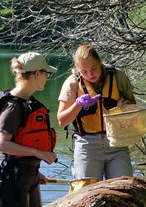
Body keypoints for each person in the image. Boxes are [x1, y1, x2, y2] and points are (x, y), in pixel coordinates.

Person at [0, 52, 58, 207]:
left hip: (27, 176)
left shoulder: (28, 103)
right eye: (46, 73)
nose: (47, 78)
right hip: (10, 180)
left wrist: (33, 168)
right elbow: (2, 144)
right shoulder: (13, 106)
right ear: (36, 74)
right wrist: (39, 153)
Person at [57, 44, 136, 181]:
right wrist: (78, 104)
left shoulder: (117, 77)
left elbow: (134, 106)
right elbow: (62, 120)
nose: (90, 74)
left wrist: (124, 107)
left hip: (117, 143)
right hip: (87, 147)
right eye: (84, 71)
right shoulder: (72, 83)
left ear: (100, 62)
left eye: (94, 68)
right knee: (86, 193)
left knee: (125, 190)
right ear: (77, 69)